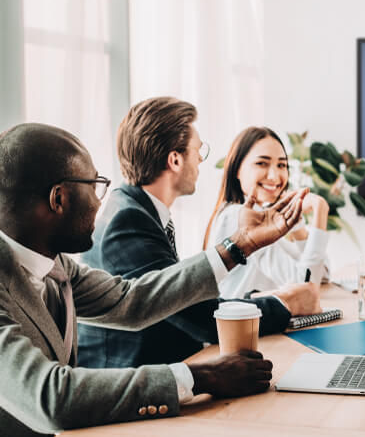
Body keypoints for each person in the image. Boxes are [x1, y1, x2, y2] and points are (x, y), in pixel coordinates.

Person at [0, 122, 316, 436]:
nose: (100, 202)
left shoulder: (57, 265)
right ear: (59, 199)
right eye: (95, 185)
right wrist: (199, 377)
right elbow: (53, 398)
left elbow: (131, 301)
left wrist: (241, 244)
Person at [78, 97, 320, 368]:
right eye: (198, 151)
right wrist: (283, 303)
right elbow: (199, 318)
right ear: (175, 160)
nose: (201, 162)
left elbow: (179, 307)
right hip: (129, 386)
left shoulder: (136, 209)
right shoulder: (128, 221)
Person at [204, 126, 330, 299]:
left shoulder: (259, 213)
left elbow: (321, 274)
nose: (274, 176)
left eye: (281, 165)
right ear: (237, 169)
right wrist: (320, 209)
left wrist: (297, 223)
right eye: (262, 163)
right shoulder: (238, 217)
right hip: (245, 325)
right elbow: (307, 286)